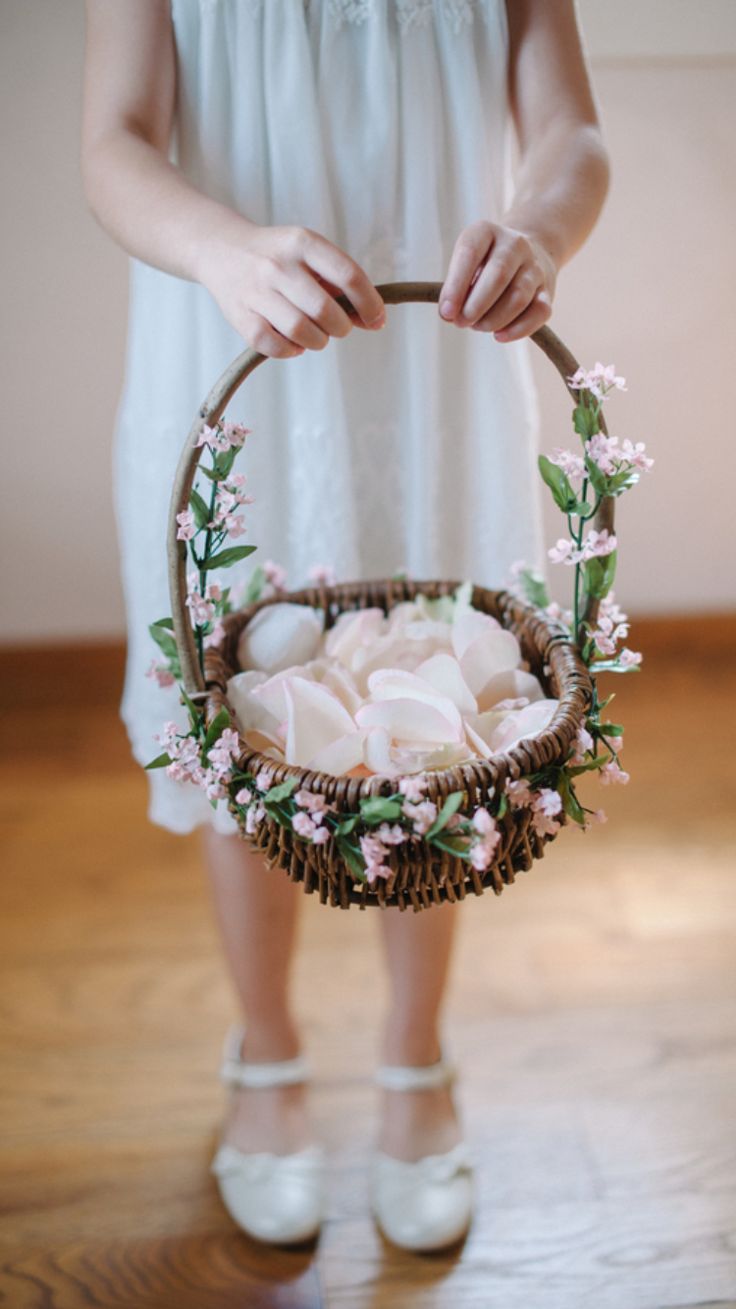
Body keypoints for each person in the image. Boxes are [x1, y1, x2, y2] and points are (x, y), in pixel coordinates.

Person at [81, 0, 609, 1251]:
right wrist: (223, 250)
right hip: (230, 340)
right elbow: (113, 139)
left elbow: (571, 130)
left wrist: (536, 231)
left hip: (444, 358)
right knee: (244, 721)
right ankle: (264, 1050)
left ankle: (414, 1056)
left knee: (437, 722)